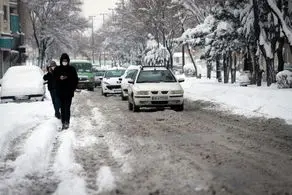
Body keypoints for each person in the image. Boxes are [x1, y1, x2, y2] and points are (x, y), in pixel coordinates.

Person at [54, 53, 78, 130]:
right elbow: (54, 79)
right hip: (60, 92)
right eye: (63, 60)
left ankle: (67, 122)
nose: (64, 62)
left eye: (66, 60)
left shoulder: (72, 69)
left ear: (68, 61)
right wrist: (59, 78)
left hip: (68, 92)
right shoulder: (57, 69)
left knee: (67, 107)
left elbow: (75, 80)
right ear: (61, 61)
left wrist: (72, 88)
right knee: (62, 108)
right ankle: (63, 121)